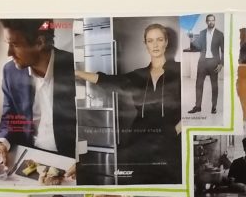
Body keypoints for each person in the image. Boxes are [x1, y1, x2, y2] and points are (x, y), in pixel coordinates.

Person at [75, 23, 181, 184]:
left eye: (159, 39)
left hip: (169, 144)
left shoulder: (180, 72)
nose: (155, 44)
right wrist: (76, 72)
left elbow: (195, 108)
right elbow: (108, 80)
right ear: (145, 44)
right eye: (150, 40)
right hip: (138, 143)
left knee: (168, 183)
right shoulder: (138, 75)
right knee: (140, 182)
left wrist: (175, 131)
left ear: (166, 42)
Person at [0, 18, 77, 175]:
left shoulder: (76, 68)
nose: (9, 53)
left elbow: (93, 125)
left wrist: (87, 161)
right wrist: (1, 145)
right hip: (28, 153)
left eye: (15, 45)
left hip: (69, 159)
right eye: (8, 44)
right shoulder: (10, 72)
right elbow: (9, 117)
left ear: (39, 43)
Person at [188, 14, 224, 115]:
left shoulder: (220, 34)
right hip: (202, 63)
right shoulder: (202, 33)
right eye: (209, 20)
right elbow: (196, 46)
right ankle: (198, 106)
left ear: (215, 21)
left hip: (214, 63)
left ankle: (214, 107)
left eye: (212, 20)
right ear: (206, 22)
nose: (211, 22)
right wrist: (191, 38)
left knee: (214, 86)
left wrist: (221, 64)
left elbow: (224, 50)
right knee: (198, 84)